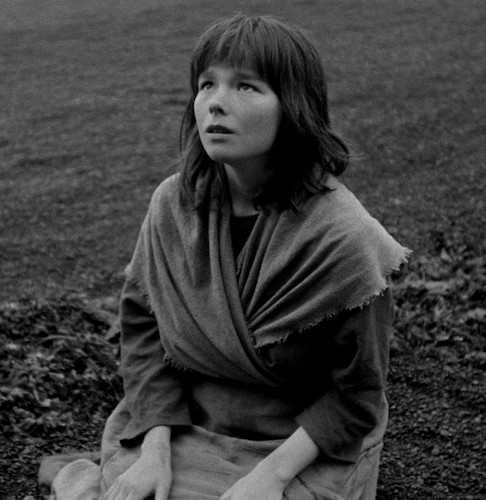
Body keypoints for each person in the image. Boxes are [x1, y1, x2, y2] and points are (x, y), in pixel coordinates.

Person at [44, 13, 410, 500]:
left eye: (246, 87)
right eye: (206, 84)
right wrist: (155, 452)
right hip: (186, 421)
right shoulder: (172, 207)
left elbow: (356, 396)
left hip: (301, 440)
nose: (215, 103)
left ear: (293, 107)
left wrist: (268, 478)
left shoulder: (344, 239)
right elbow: (144, 334)